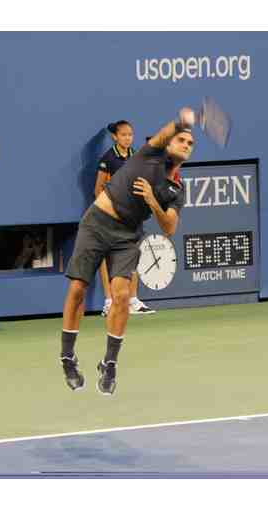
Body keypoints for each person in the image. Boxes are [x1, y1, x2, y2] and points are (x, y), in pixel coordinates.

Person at [60, 107, 195, 395]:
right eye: (182, 139)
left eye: (190, 143)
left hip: (128, 236)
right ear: (169, 142)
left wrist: (152, 200)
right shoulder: (149, 153)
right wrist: (182, 121)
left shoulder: (177, 189)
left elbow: (169, 227)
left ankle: (109, 363)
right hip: (97, 223)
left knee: (122, 296)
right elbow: (166, 131)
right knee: (77, 289)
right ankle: (67, 357)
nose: (186, 144)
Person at [95, 120, 155, 317]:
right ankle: (109, 301)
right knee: (107, 256)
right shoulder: (108, 159)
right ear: (115, 137)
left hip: (131, 215)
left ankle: (132, 300)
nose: (128, 138)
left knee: (132, 254)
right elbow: (98, 189)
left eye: (130, 134)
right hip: (110, 215)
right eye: (124, 135)